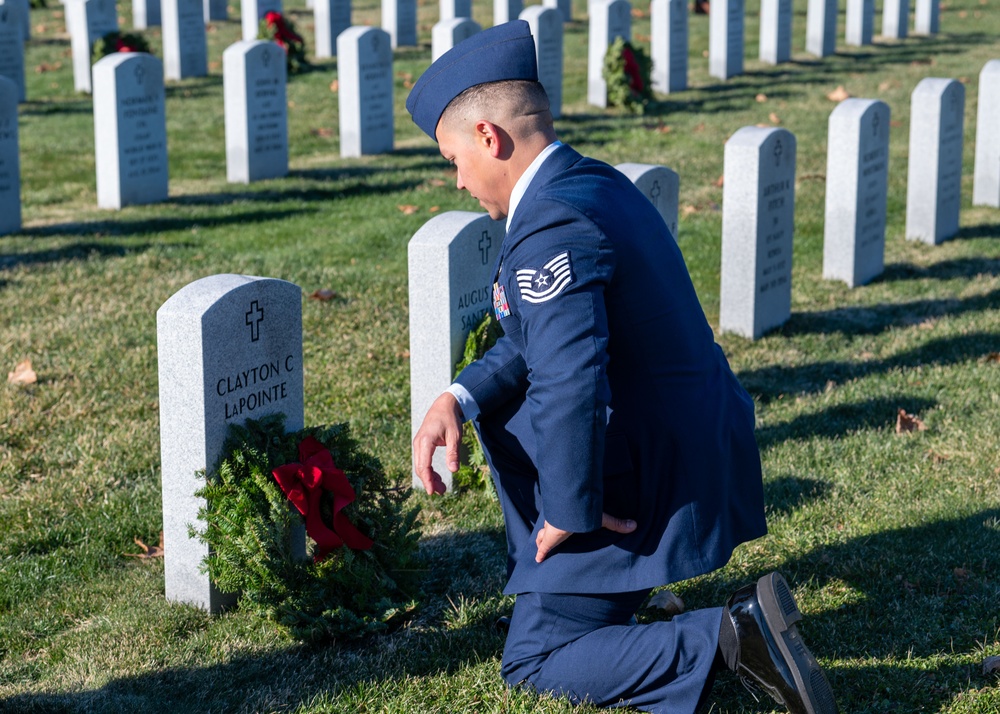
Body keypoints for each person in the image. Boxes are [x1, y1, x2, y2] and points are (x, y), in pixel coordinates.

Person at [407, 21, 838, 714]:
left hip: (643, 485)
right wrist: (458, 397)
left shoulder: (548, 225)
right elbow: (533, 337)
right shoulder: (590, 182)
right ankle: (633, 592)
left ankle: (734, 636)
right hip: (684, 446)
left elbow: (569, 376)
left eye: (453, 157)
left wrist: (568, 512)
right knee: (563, 623)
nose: (457, 179)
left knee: (535, 658)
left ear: (489, 138)